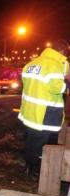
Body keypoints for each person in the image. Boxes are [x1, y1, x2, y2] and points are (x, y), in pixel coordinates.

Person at [18, 40, 70, 180]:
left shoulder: (32, 63)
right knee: (41, 143)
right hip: (45, 113)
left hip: (29, 112)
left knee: (32, 141)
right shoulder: (54, 65)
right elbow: (56, 88)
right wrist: (67, 83)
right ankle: (35, 170)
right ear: (64, 52)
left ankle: (30, 167)